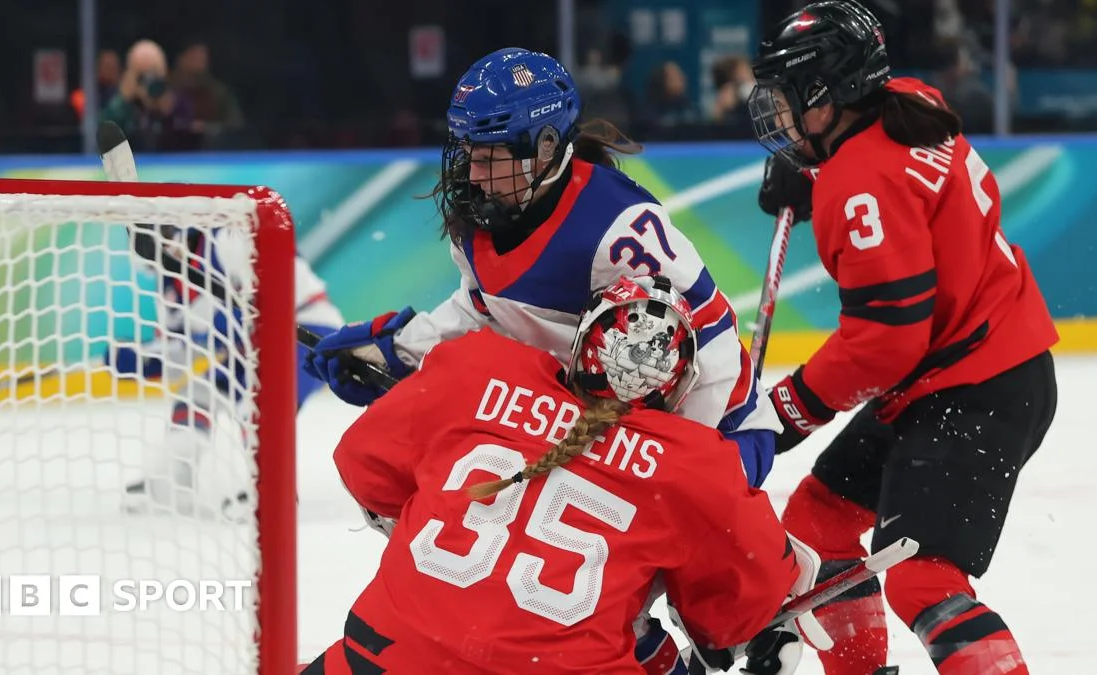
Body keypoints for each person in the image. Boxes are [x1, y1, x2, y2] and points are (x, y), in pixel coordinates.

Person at [304, 47, 780, 490]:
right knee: (389, 462)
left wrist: (677, 469)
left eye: (489, 158)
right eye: (469, 154)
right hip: (604, 426)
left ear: (546, 146)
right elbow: (482, 312)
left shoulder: (618, 228)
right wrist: (398, 349)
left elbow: (711, 341)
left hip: (717, 433)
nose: (473, 175)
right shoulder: (487, 217)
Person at [302, 275, 830, 675]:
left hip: (389, 654)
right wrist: (764, 608)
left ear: (579, 348)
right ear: (678, 384)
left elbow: (363, 465)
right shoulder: (696, 463)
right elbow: (732, 618)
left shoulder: (475, 371)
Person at [748, 2, 1059, 674]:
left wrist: (784, 413)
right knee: (816, 521)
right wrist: (812, 169)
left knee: (924, 578)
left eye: (793, 95)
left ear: (830, 94)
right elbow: (897, 186)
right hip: (972, 366)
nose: (780, 111)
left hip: (975, 386)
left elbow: (885, 341)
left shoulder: (861, 187)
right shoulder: (910, 102)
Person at [110, 223, 344, 518]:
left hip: (305, 332)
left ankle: (272, 491)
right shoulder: (169, 284)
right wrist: (142, 357)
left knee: (260, 403)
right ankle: (173, 484)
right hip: (254, 346)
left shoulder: (228, 241)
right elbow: (181, 348)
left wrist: (241, 313)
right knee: (196, 396)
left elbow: (287, 281)